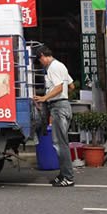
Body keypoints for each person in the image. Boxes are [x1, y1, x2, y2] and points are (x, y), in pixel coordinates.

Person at [33, 44, 75, 187]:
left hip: (59, 107)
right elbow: (71, 85)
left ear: (43, 56)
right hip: (63, 106)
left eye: (40, 60)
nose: (41, 63)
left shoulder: (53, 67)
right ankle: (63, 175)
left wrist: (45, 98)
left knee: (60, 144)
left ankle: (68, 177)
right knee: (60, 142)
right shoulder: (61, 66)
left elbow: (59, 87)